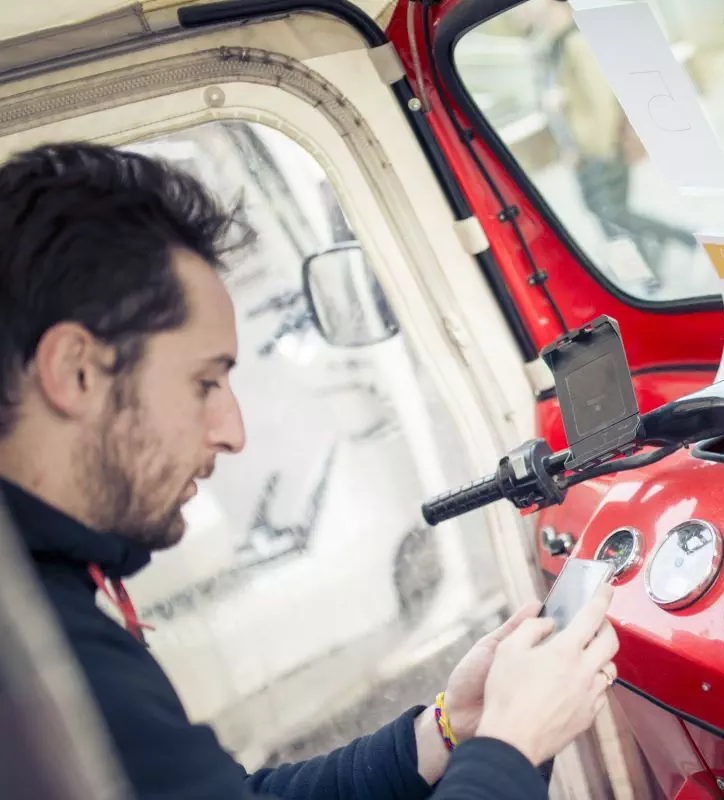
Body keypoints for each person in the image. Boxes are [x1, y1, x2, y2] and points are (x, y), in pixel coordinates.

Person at [0, 141, 619, 799]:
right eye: (205, 381)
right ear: (77, 371)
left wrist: (450, 731)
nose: (232, 433)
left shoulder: (44, 605)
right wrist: (511, 747)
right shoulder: (42, 674)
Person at [523, 0, 695, 290]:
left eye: (548, 12)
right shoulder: (553, 45)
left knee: (610, 211)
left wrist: (594, 147)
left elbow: (602, 101)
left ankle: (677, 238)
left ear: (563, 8)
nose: (543, 18)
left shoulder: (577, 42)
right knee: (606, 212)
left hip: (598, 147)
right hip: (580, 149)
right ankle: (648, 270)